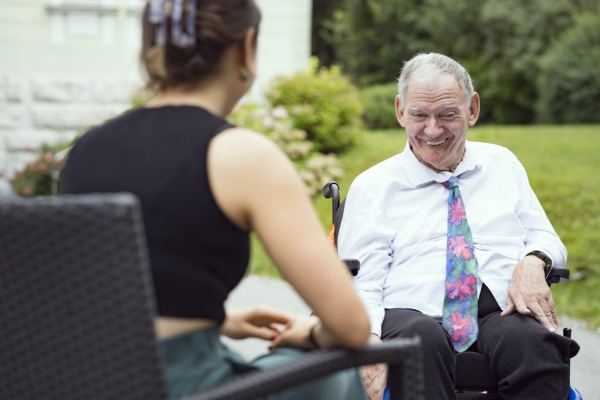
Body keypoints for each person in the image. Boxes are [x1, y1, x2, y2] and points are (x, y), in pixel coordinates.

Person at [59, 1, 371, 399]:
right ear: (246, 45)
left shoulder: (87, 150)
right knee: (335, 375)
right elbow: (350, 326)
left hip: (85, 380)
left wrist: (220, 320)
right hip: (187, 386)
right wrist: (308, 332)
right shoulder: (241, 154)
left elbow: (108, 290)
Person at [337, 52, 579, 400]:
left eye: (448, 114)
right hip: (411, 314)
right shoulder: (373, 187)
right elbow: (364, 284)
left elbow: (545, 237)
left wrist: (533, 260)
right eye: (419, 115)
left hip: (495, 310)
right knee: (420, 340)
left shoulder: (502, 164)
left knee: (535, 343)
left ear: (472, 109)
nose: (433, 130)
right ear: (400, 111)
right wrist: (368, 345)